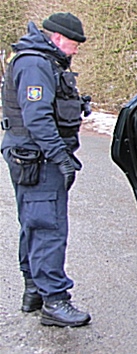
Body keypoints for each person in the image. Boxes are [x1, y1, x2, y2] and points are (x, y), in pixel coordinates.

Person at [1, 12, 91, 327]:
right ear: (57, 37)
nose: (77, 49)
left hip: (32, 155)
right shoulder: (36, 63)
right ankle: (55, 300)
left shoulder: (41, 61)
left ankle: (34, 291)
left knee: (34, 223)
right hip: (38, 158)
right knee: (48, 228)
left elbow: (46, 109)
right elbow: (37, 118)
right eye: (75, 42)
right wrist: (60, 157)